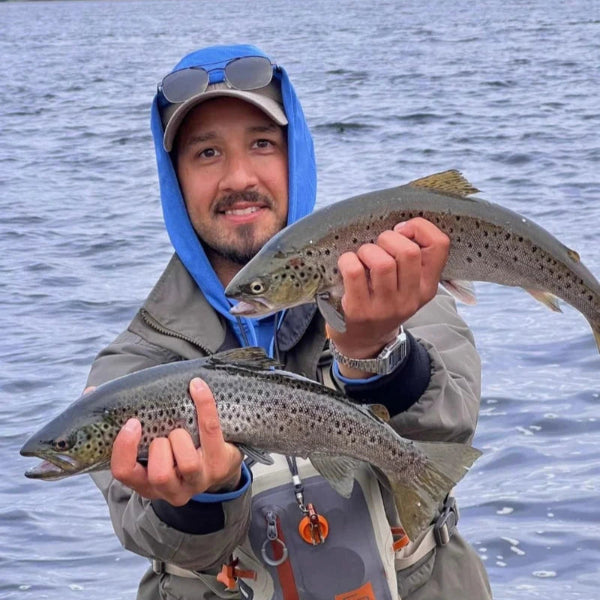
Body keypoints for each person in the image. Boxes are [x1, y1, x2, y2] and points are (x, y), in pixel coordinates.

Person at [86, 44, 492, 599]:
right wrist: (204, 496)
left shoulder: (399, 282)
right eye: (206, 153)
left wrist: (374, 351)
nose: (237, 177)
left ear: (296, 152)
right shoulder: (129, 366)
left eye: (261, 144)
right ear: (173, 180)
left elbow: (448, 431)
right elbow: (148, 533)